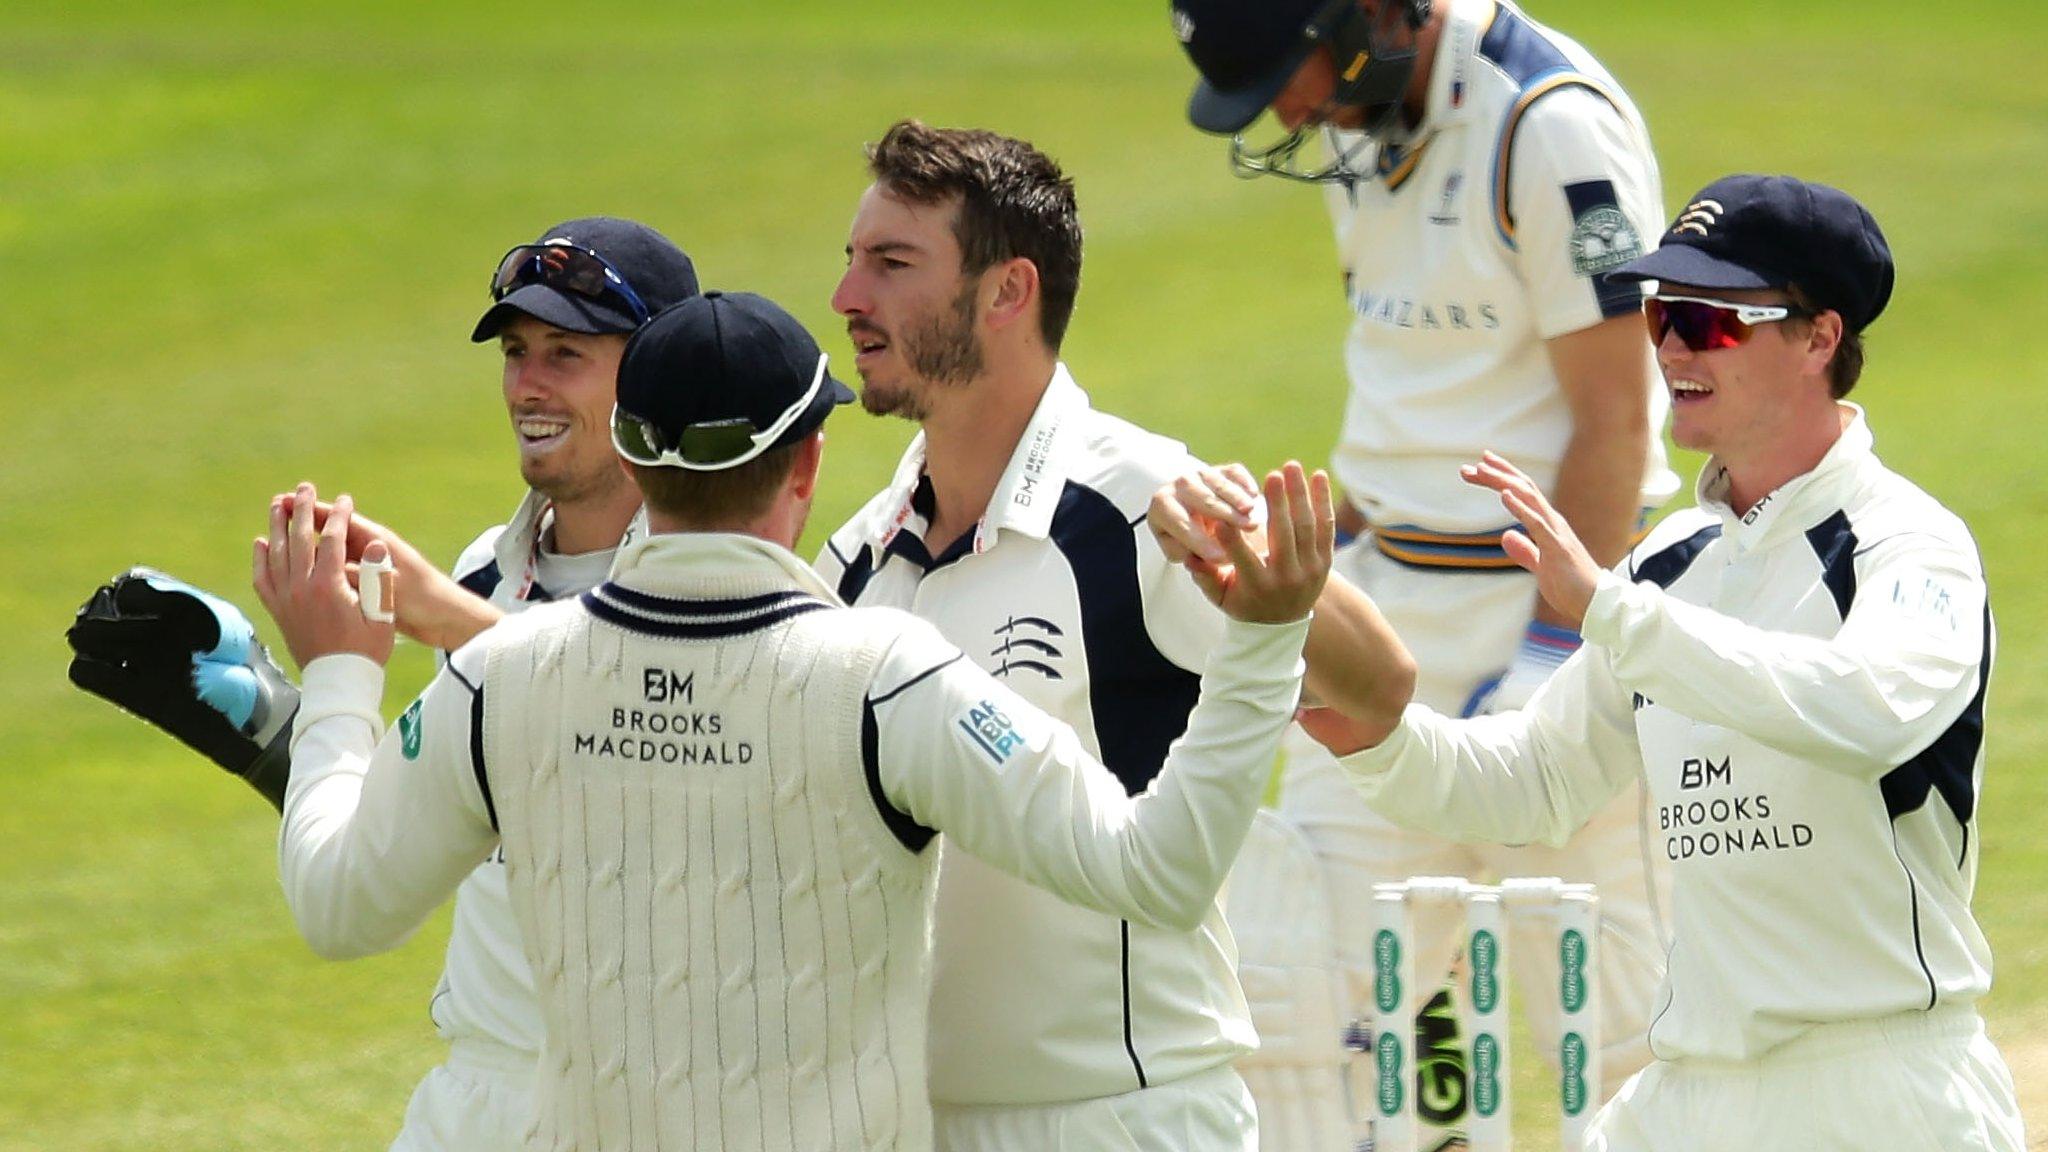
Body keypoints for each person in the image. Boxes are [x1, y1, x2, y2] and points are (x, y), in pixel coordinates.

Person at [258, 289, 1336, 1152]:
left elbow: (337, 903)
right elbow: (1160, 871)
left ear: (631, 462)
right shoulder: (888, 677)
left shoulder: (498, 673)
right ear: (807, 465)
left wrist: (342, 678)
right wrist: (1262, 639)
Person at [1163, 175, 2027, 1151]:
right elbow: (1532, 783)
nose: (1667, 349)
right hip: (1690, 1091)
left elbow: (1867, 710)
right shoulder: (1667, 568)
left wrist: (1611, 611)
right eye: (1660, 314)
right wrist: (1380, 743)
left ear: (1819, 339)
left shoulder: (1906, 545)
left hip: (1877, 1092)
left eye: (1709, 321)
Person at [817, 118, 1413, 1151]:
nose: (847, 299)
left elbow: (1380, 687)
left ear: (1007, 293)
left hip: (1124, 1119)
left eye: (892, 264)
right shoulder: (859, 558)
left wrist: (1274, 583)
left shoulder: (1139, 504)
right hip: (912, 1121)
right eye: (853, 262)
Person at [63, 216, 701, 1151]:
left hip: (645, 1109)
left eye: (566, 354)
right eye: (517, 352)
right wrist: (287, 725)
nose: (528, 383)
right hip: (477, 1095)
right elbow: (455, 821)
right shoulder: (491, 566)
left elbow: (635, 739)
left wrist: (392, 644)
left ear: (653, 378)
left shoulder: (709, 572)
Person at [1169, 0, 1678, 1142]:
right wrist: (1307, 570)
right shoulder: (1361, 117)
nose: (1289, 111)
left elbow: (1613, 424)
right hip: (1384, 617)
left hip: (1544, 619)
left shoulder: (1547, 130)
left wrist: (1553, 662)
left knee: (1619, 1038)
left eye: (1288, 73)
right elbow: (1410, 402)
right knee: (1354, 1009)